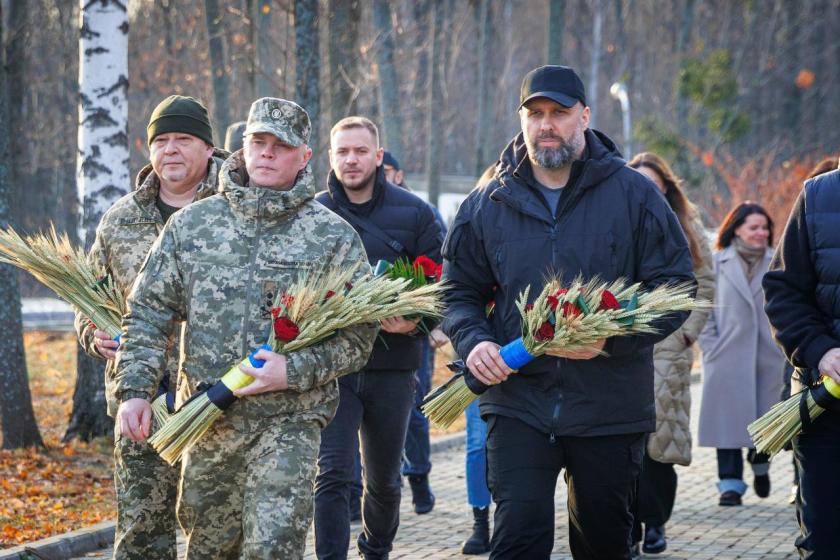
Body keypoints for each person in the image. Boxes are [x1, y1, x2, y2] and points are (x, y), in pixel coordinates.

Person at [442, 65, 695, 559]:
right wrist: (475, 343)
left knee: (602, 544)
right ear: (521, 120)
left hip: (610, 408)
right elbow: (456, 292)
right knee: (516, 539)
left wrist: (609, 340)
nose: (546, 124)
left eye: (559, 113)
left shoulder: (634, 194)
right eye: (535, 114)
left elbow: (676, 287)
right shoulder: (488, 202)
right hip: (518, 403)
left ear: (584, 116)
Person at [113, 97, 378, 559]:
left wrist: (292, 371)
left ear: (305, 157)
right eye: (259, 142)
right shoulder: (191, 226)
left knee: (274, 545)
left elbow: (358, 338)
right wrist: (134, 390)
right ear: (242, 146)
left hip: (290, 420)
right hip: (209, 419)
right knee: (210, 548)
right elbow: (148, 312)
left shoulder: (332, 236)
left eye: (281, 145)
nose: (267, 153)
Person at [74, 95, 226, 560]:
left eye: (184, 139)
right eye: (162, 140)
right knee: (141, 532)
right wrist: (92, 334)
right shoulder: (119, 220)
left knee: (215, 529)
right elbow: (89, 299)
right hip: (142, 401)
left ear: (208, 148)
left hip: (218, 398)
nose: (171, 149)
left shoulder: (233, 209)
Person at [313, 116, 443, 560]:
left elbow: (444, 287)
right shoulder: (312, 214)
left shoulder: (417, 213)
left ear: (378, 156)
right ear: (330, 157)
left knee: (384, 480)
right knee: (331, 474)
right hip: (332, 370)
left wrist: (415, 323)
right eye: (342, 151)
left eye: (360, 151)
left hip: (393, 368)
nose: (351, 159)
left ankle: (376, 550)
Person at [627, 153, 715, 555]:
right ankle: (626, 522)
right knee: (624, 438)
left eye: (653, 183)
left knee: (662, 438)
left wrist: (688, 333)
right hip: (624, 340)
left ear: (665, 186)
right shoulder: (617, 216)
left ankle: (655, 522)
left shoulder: (687, 225)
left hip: (670, 343)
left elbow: (706, 283)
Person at [764, 162, 840, 558]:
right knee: (825, 540)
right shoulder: (818, 196)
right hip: (827, 406)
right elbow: (783, 291)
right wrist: (820, 349)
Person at [697, 202, 784, 507]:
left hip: (768, 356)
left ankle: (761, 465)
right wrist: (710, 346)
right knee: (727, 423)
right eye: (754, 227)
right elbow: (703, 307)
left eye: (765, 228)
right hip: (726, 355)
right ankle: (730, 485)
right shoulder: (717, 262)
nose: (762, 233)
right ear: (736, 229)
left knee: (766, 422)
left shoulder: (778, 262)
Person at [382, 149, 448, 515]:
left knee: (417, 406)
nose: (382, 173)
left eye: (388, 169)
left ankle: (419, 476)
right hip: (369, 332)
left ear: (398, 172)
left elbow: (441, 275)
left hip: (414, 331)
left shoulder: (422, 214)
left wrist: (431, 322)